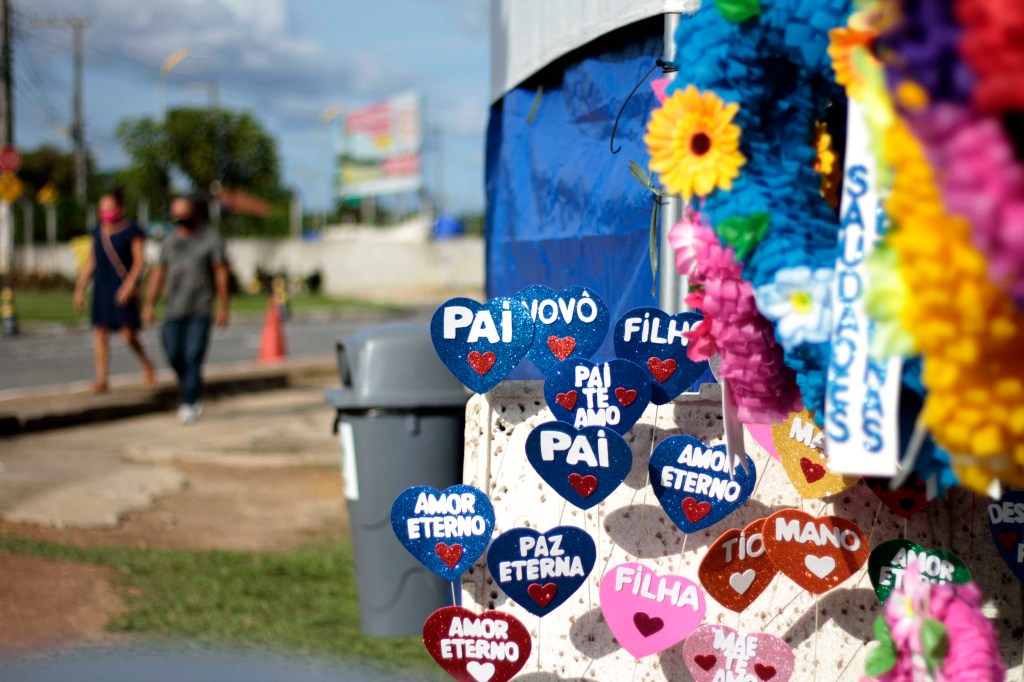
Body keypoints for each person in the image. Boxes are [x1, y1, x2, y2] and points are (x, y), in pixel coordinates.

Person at [143, 195, 230, 424]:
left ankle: (190, 401)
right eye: (176, 212)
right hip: (173, 309)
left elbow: (220, 272)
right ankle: (193, 387)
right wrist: (149, 303)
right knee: (173, 354)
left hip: (200, 309)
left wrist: (223, 306)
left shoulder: (210, 238)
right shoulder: (170, 241)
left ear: (195, 212)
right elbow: (159, 272)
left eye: (184, 212)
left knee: (192, 357)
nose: (180, 217)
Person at [73, 188, 157, 394]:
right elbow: (91, 261)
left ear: (121, 208)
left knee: (128, 333)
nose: (106, 213)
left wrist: (129, 285)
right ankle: (102, 379)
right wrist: (80, 287)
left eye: (110, 208)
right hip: (102, 286)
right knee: (100, 333)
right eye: (103, 209)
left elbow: (139, 262)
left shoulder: (132, 230)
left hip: (122, 287)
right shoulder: (98, 231)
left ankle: (146, 363)